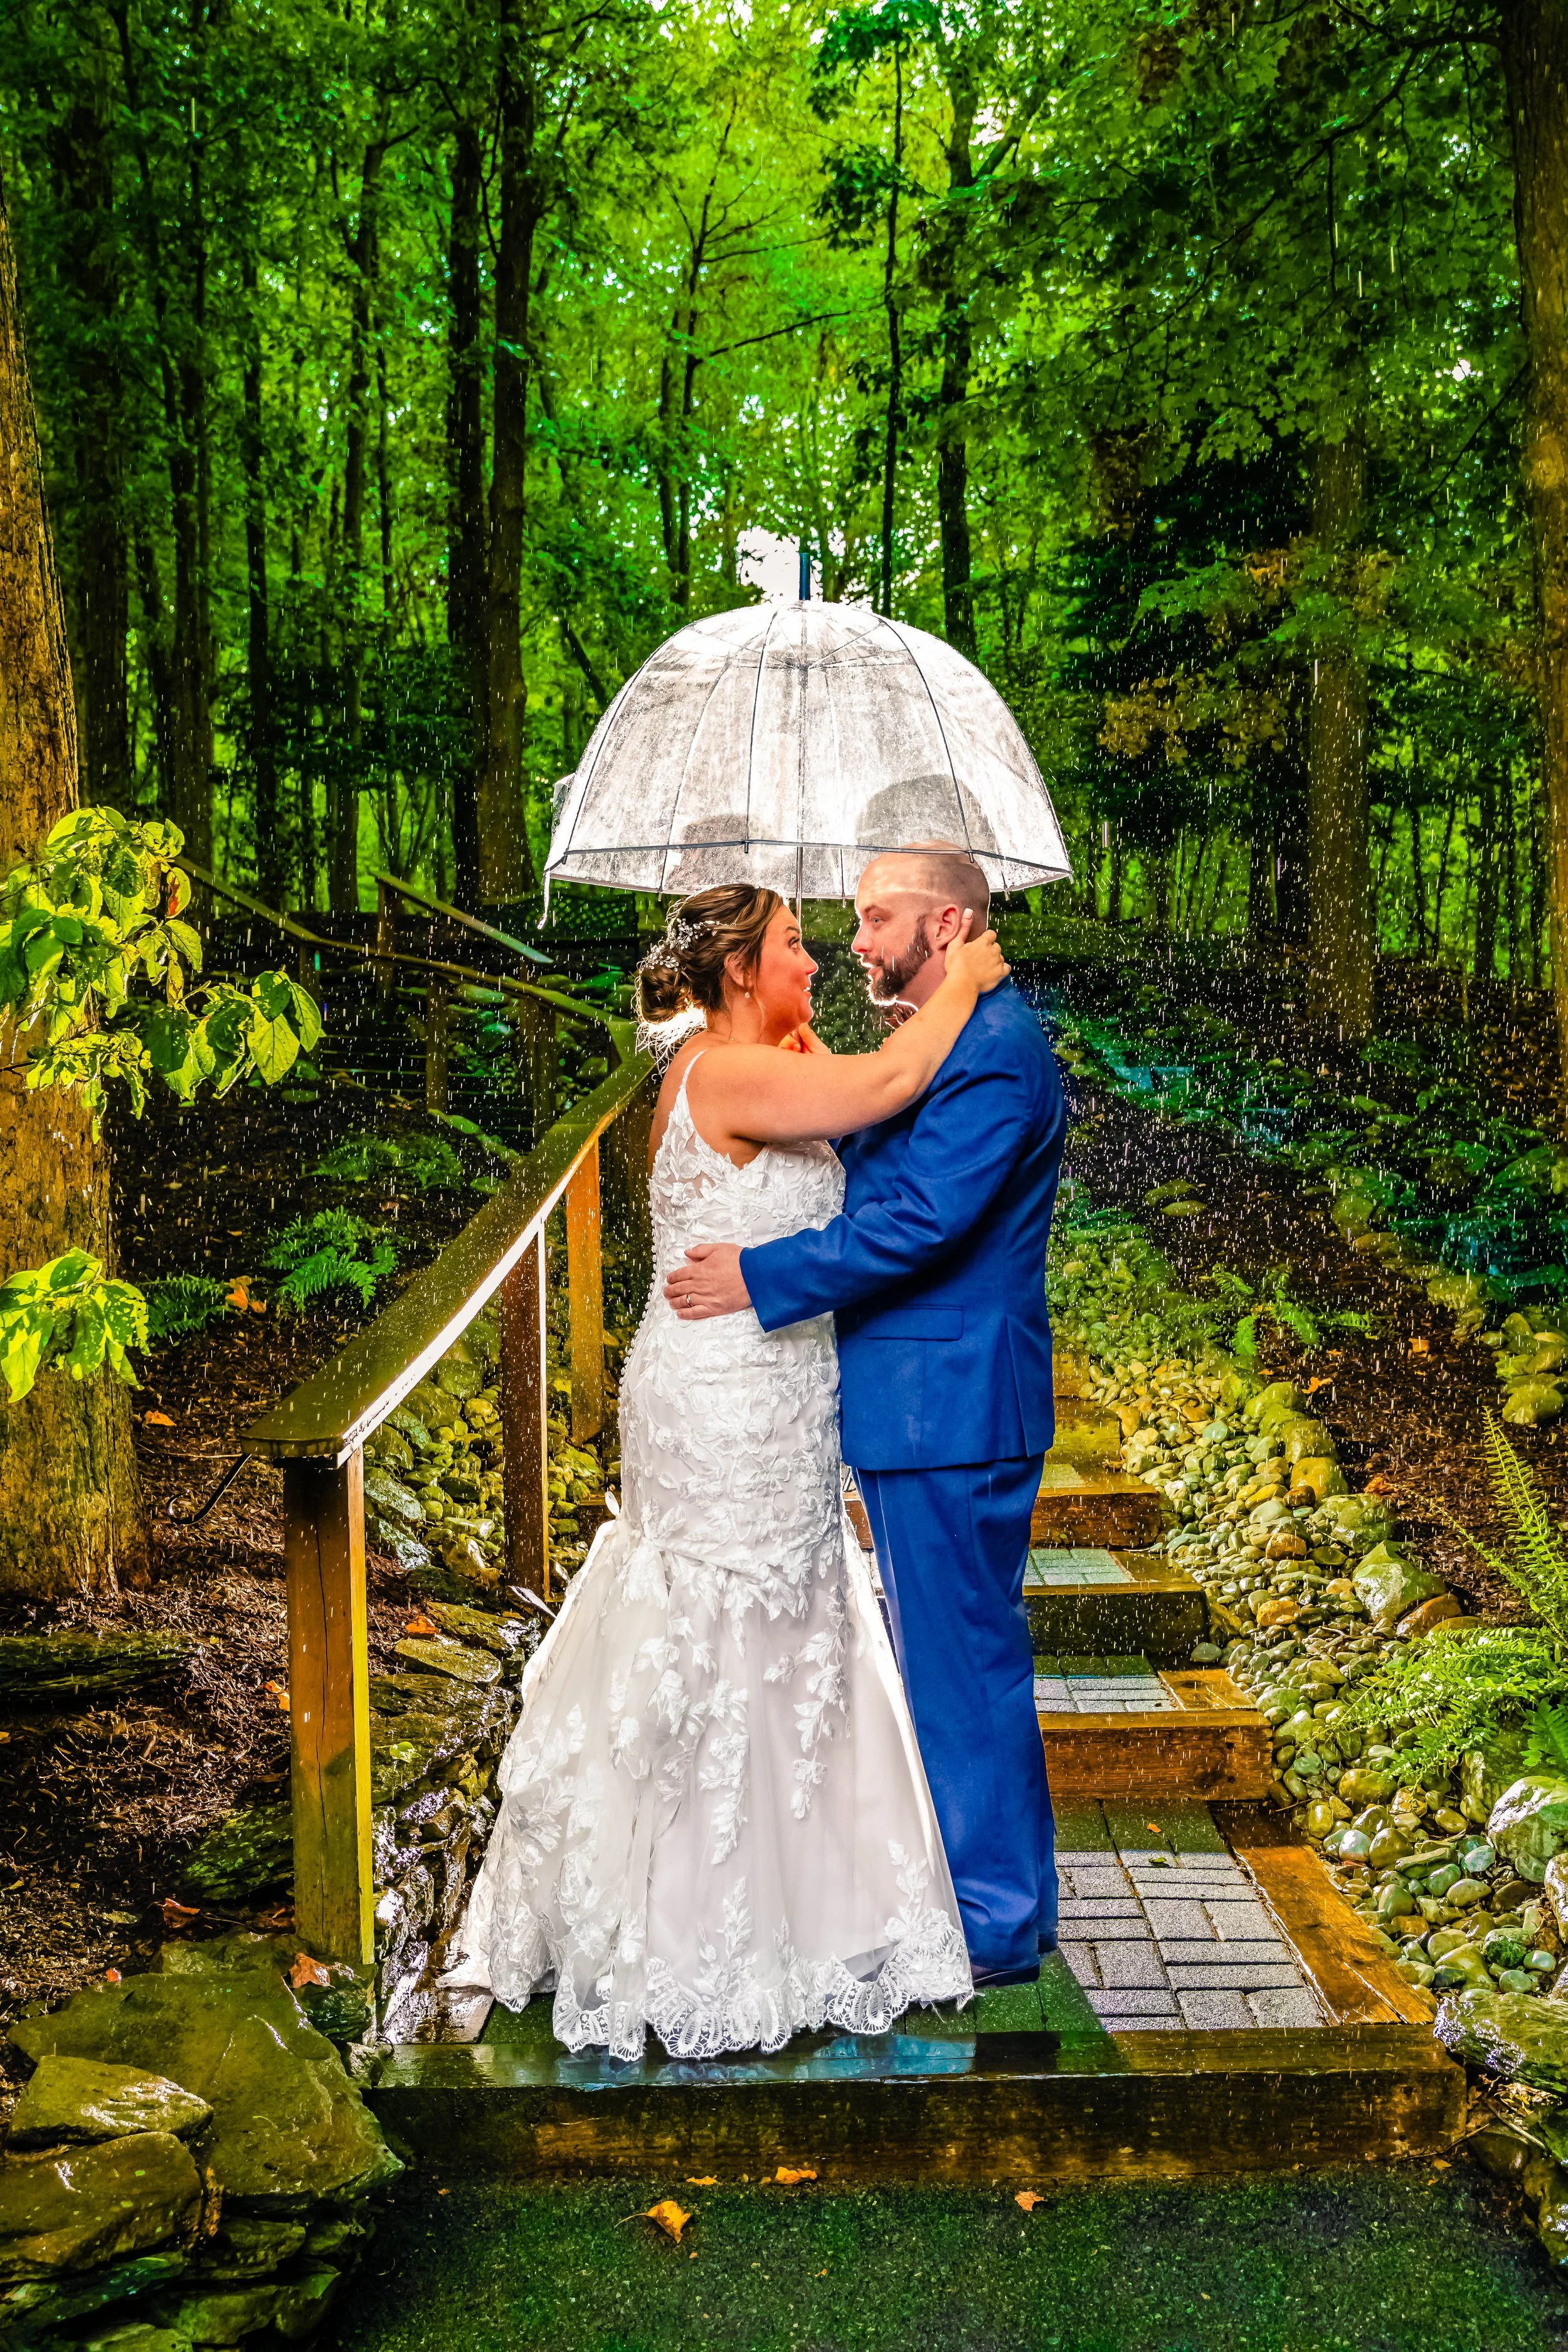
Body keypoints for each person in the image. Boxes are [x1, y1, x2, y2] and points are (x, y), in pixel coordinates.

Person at [445, 881, 1007, 2060]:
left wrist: (803, 1033)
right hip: (722, 1393)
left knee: (787, 1618)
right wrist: (966, 977)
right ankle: (694, 1933)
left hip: (775, 1384)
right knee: (723, 1624)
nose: (818, 957)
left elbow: (842, 1110)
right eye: (799, 943)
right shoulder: (727, 1073)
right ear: (745, 969)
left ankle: (803, 1907)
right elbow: (889, 1087)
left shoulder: (738, 1057)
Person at [666, 844, 1065, 1988]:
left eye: (877, 916)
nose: (857, 938)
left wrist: (762, 1274)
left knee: (960, 1662)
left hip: (952, 1406)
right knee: (967, 1654)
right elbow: (885, 1137)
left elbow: (917, 1225)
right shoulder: (954, 1041)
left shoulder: (991, 1053)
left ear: (946, 927)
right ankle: (1012, 1902)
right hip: (930, 1404)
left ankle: (990, 1917)